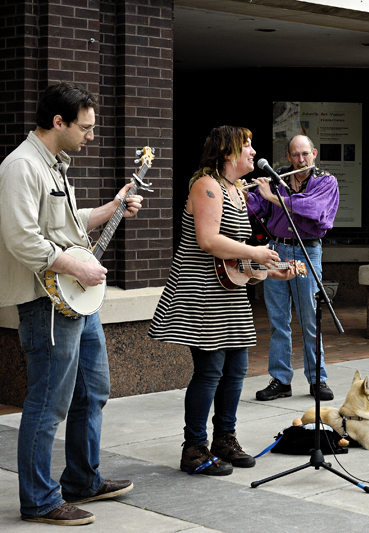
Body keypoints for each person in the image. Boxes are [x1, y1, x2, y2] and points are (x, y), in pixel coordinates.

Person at [0, 82, 140, 525]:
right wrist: (77, 268)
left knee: (92, 390)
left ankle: (82, 479)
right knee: (47, 402)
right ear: (58, 122)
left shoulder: (55, 164)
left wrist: (112, 206)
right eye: (86, 127)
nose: (92, 136)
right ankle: (40, 500)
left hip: (76, 301)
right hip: (46, 302)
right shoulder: (21, 167)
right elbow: (22, 237)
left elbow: (67, 223)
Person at [148, 126, 296, 475]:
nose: (252, 150)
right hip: (201, 292)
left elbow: (234, 259)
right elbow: (208, 241)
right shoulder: (206, 185)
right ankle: (194, 449)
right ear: (227, 153)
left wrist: (270, 271)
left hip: (230, 292)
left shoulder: (237, 191)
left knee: (237, 369)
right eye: (246, 145)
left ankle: (224, 440)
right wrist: (257, 252)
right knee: (210, 370)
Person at [248, 135, 340, 402]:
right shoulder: (278, 179)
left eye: (305, 154)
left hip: (307, 251)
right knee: (278, 320)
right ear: (288, 157)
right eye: (295, 155)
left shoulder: (326, 181)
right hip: (276, 250)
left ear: (314, 153)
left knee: (310, 318)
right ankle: (281, 380)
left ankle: (317, 379)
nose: (301, 160)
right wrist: (245, 194)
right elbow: (259, 205)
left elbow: (313, 209)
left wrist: (274, 197)